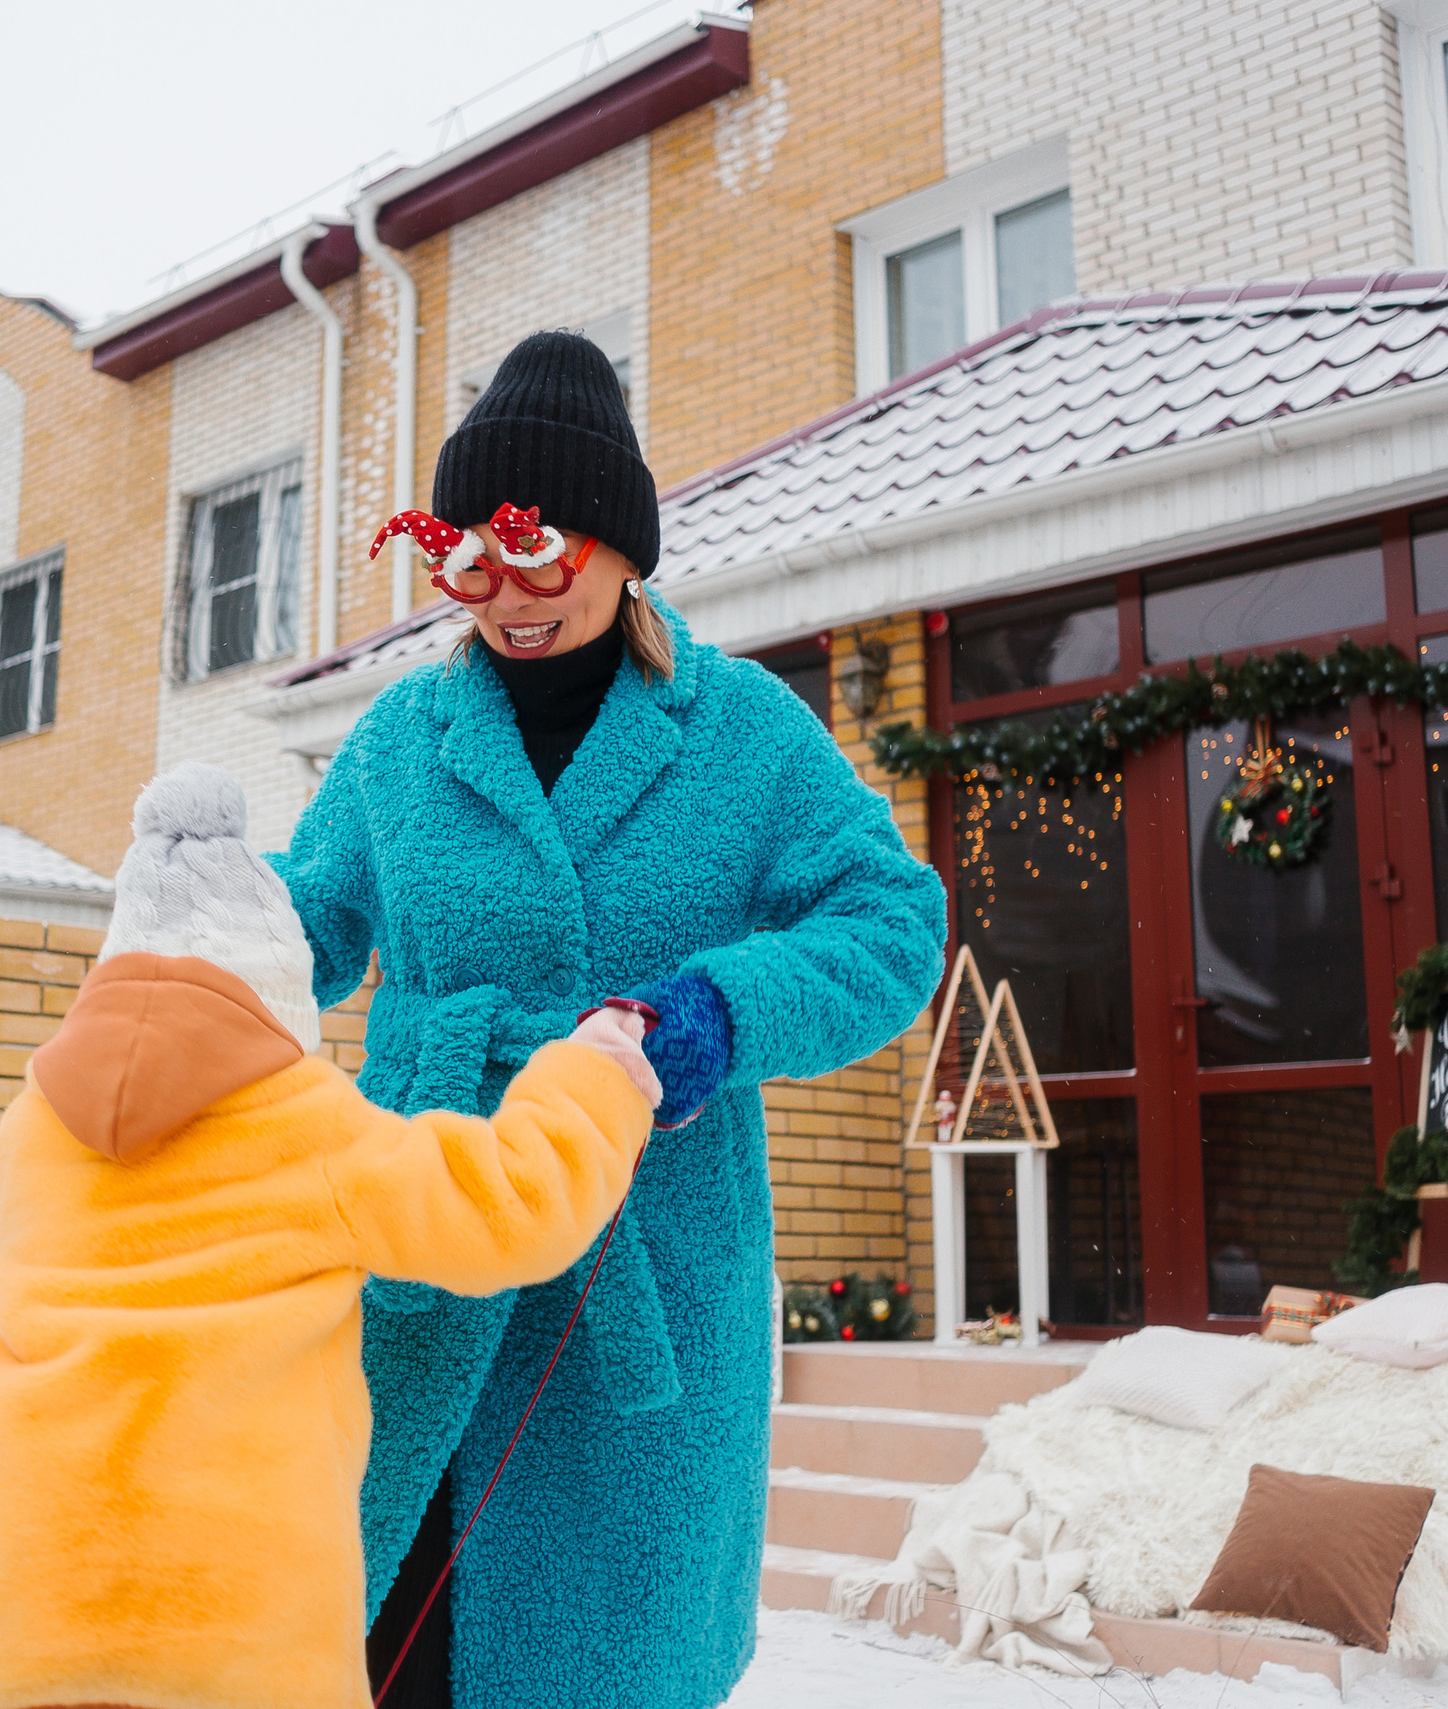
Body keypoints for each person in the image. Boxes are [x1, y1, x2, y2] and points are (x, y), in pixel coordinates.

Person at [269, 330, 948, 1709]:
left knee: (606, 1657)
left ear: (623, 547)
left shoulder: (741, 730)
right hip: (424, 1256)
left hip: (642, 1271)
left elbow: (892, 917)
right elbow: (306, 928)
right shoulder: (404, 738)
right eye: (471, 558)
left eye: (546, 552)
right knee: (374, 1643)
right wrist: (193, 938)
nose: (510, 596)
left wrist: (718, 1009)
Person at [0, 763, 680, 1709]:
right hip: (231, 1635)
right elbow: (511, 1208)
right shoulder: (299, 1121)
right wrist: (593, 1075)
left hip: (11, 1620)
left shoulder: (36, 1127)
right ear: (274, 987)